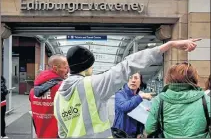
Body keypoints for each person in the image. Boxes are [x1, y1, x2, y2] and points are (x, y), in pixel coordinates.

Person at [54, 38, 201, 138]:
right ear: (86, 67)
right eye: (91, 66)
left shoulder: (58, 96)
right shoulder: (92, 85)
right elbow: (128, 65)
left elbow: (62, 132)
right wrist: (169, 45)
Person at [145, 62, 210, 138]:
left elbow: (149, 129)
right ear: (194, 78)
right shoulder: (205, 100)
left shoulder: (159, 100)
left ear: (169, 78)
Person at [29, 54, 69, 138]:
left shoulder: (33, 91)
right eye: (65, 67)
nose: (68, 71)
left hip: (40, 134)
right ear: (55, 68)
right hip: (57, 135)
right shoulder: (62, 88)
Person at [112, 73, 151, 138]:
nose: (133, 80)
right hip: (120, 134)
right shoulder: (120, 94)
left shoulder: (140, 97)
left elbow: (141, 117)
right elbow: (124, 107)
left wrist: (140, 132)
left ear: (140, 82)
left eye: (136, 78)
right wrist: (140, 96)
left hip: (134, 135)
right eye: (130, 77)